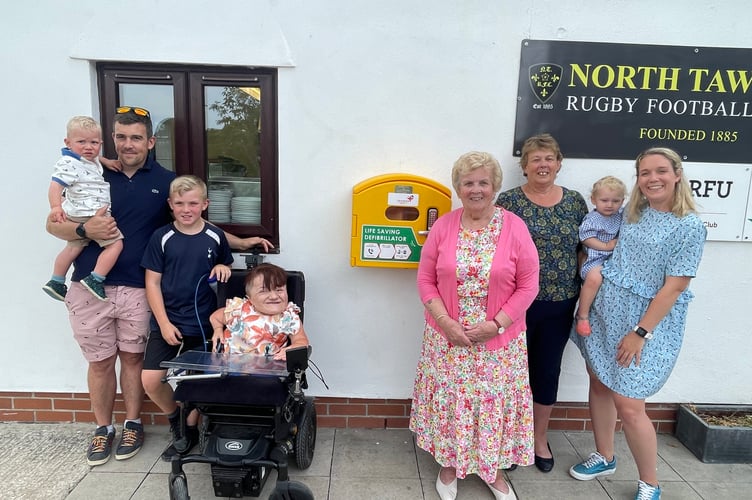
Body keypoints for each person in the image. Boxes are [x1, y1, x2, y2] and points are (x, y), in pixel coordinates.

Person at [46, 106, 273, 467]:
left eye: (136, 137)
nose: (128, 144)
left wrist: (241, 244)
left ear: (150, 141)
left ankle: (133, 424)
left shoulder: (164, 182)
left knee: (135, 360)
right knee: (100, 363)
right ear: (112, 140)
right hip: (90, 286)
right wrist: (83, 231)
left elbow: (196, 221)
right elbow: (54, 225)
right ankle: (103, 429)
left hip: (138, 287)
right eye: (121, 137)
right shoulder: (91, 172)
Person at [568, 148, 706, 500]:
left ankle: (650, 483)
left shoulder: (689, 225)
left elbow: (675, 286)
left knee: (629, 403)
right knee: (599, 380)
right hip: (606, 310)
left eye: (660, 171)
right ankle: (604, 456)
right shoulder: (633, 212)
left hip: (646, 323)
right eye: (644, 172)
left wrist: (640, 332)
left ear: (677, 174)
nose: (652, 178)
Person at [410, 151, 540, 500]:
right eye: (468, 183)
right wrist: (445, 322)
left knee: (491, 402)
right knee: (455, 401)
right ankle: (450, 465)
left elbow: (529, 285)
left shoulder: (514, 227)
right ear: (458, 188)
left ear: (495, 186)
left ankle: (492, 470)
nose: (476, 189)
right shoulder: (443, 226)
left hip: (499, 340)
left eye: (483, 182)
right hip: (447, 338)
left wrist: (496, 324)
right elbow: (425, 280)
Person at [495, 133, 588, 472]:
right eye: (535, 159)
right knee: (509, 372)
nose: (543, 164)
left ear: (559, 164)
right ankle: (507, 440)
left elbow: (584, 250)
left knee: (546, 370)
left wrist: (589, 298)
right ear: (525, 167)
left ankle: (538, 439)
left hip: (559, 302)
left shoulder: (576, 202)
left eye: (549, 158)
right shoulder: (508, 202)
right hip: (514, 304)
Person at [140, 175, 234, 459]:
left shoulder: (215, 236)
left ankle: (189, 429)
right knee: (152, 380)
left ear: (205, 204)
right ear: (170, 204)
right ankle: (175, 418)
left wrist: (221, 265)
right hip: (168, 322)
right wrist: (165, 323)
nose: (186, 209)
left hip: (203, 324)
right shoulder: (162, 237)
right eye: (179, 203)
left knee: (195, 382)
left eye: (193, 203)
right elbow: (152, 283)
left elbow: (225, 263)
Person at [42, 116, 123, 302]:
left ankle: (56, 280)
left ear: (100, 144)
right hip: (89, 213)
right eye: (81, 142)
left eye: (94, 143)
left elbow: (92, 159)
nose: (88, 147)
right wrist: (55, 207)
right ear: (67, 142)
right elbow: (55, 186)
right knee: (115, 245)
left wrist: (105, 161)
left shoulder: (88, 159)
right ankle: (96, 278)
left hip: (79, 214)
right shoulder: (67, 164)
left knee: (73, 247)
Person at [210, 263, 309, 359]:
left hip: (269, 370)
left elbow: (301, 341)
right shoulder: (240, 309)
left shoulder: (288, 316)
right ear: (250, 299)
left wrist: (293, 349)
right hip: (229, 367)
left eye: (279, 290)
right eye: (264, 291)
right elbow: (215, 317)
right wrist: (218, 329)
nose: (274, 296)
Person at [574, 176, 627, 336]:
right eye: (604, 200)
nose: (610, 205)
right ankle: (582, 315)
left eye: (615, 201)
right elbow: (585, 237)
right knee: (595, 279)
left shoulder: (620, 216)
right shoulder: (593, 219)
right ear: (594, 200)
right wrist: (605, 246)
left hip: (612, 260)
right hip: (595, 259)